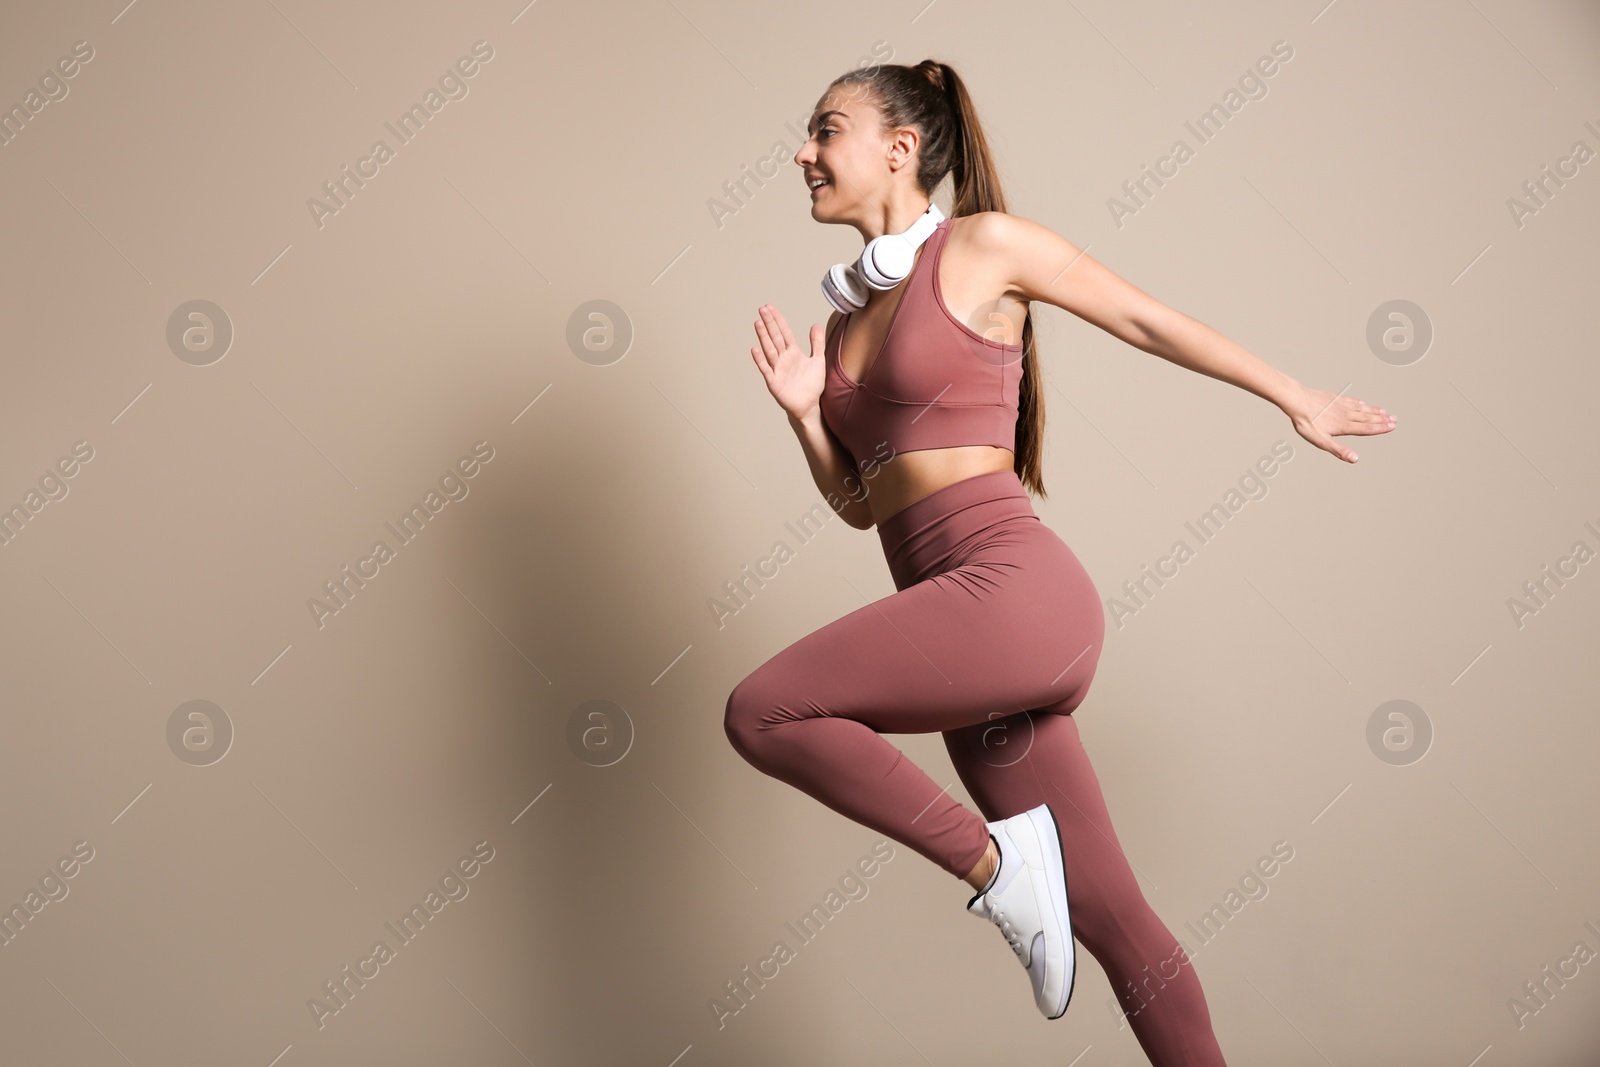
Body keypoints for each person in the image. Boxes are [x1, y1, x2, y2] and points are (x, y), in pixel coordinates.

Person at [724, 58, 1395, 1065]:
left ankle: (1000, 868)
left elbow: (1141, 315)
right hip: (961, 635)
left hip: (1012, 596)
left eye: (826, 131)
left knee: (762, 709)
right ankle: (1034, 886)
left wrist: (1290, 393)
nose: (802, 153)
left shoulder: (984, 247)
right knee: (1117, 922)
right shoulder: (845, 324)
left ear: (899, 148)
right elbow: (864, 507)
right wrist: (802, 418)